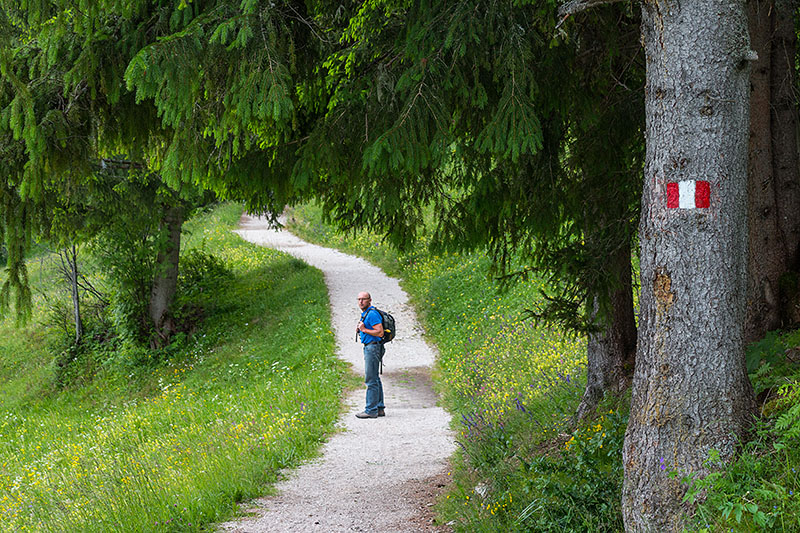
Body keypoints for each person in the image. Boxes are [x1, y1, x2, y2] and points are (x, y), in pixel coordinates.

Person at [355, 291, 385, 419]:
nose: (361, 302)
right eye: (359, 299)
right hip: (372, 347)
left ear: (370, 300)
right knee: (375, 378)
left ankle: (370, 410)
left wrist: (364, 330)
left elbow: (379, 332)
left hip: (373, 347)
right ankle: (379, 408)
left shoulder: (372, 314)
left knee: (370, 379)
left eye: (364, 299)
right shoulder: (366, 313)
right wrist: (361, 329)